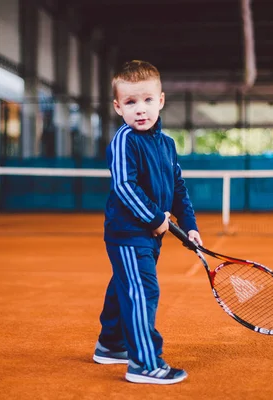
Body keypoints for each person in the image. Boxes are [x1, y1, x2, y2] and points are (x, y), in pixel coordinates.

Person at [93, 60, 203, 385]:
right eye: (130, 102)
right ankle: (144, 362)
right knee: (142, 290)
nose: (140, 109)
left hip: (149, 235)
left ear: (161, 100)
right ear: (118, 107)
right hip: (128, 234)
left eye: (147, 100)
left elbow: (177, 187)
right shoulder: (124, 141)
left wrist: (190, 224)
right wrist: (156, 218)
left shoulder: (167, 145)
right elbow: (125, 186)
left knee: (124, 285)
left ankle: (110, 345)